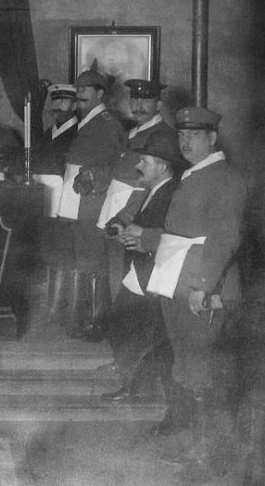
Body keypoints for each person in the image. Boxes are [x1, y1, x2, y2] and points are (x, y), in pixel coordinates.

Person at [147, 107, 247, 480]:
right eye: (182, 135)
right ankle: (199, 447)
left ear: (213, 139)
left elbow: (225, 238)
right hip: (180, 284)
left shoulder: (225, 178)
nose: (186, 142)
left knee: (203, 371)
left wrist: (203, 287)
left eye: (195, 135)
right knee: (188, 368)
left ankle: (210, 456)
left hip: (205, 289)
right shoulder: (195, 175)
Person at [100, 132, 189, 437]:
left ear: (163, 167)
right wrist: (126, 232)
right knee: (124, 325)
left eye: (144, 161)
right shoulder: (152, 189)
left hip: (156, 275)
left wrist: (143, 240)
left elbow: (173, 234)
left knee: (160, 342)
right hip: (139, 272)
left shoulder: (172, 193)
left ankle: (171, 410)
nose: (138, 164)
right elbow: (136, 222)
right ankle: (136, 386)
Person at [55, 70, 125, 340]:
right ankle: (84, 318)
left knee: (94, 261)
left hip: (92, 201)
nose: (81, 92)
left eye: (88, 88)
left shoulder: (108, 122)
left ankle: (98, 323)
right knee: (82, 259)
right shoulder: (87, 121)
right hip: (76, 201)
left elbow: (117, 163)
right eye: (78, 87)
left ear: (100, 93)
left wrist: (93, 176)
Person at [95, 80, 178, 302]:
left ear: (159, 105)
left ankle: (120, 324)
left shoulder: (163, 136)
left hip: (136, 217)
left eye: (146, 101)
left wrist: (126, 217)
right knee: (113, 271)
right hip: (116, 212)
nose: (138, 105)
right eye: (134, 99)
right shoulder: (131, 133)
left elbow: (151, 187)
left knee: (127, 277)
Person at [32, 84, 78, 323]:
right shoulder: (47, 133)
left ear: (75, 105)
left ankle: (59, 306)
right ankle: (50, 304)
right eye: (56, 100)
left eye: (65, 101)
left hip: (65, 202)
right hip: (44, 201)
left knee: (62, 252)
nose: (59, 105)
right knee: (47, 250)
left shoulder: (78, 133)